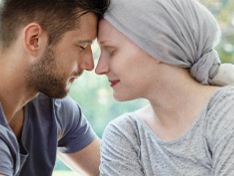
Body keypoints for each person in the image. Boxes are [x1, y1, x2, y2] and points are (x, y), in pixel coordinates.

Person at [0, 0, 110, 175]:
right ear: (34, 40)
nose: (89, 65)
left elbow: (116, 171)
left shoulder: (53, 108)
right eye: (82, 46)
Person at [95, 0, 234, 175]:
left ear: (160, 46)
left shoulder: (226, 110)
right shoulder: (125, 134)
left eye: (111, 51)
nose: (99, 68)